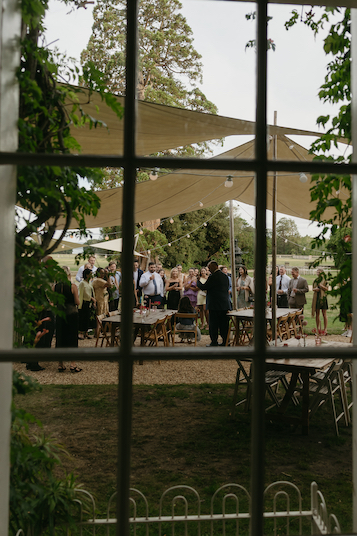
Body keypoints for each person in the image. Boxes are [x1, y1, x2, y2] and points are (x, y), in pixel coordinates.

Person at [54, 266, 82, 373]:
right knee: (72, 337)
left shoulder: (55, 287)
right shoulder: (72, 286)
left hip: (60, 314)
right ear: (68, 274)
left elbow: (54, 301)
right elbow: (77, 302)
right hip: (71, 315)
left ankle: (60, 363)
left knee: (60, 337)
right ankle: (72, 363)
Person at [197, 260, 230, 347]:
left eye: (209, 267)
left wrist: (198, 281)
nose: (208, 269)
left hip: (214, 305)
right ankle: (225, 342)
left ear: (214, 266)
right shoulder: (225, 276)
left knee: (213, 324)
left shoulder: (213, 276)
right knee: (224, 324)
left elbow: (204, 287)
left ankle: (214, 342)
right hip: (224, 304)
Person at [78, 268, 96, 339]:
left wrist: (93, 300)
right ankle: (81, 332)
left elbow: (92, 292)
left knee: (88, 318)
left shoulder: (90, 283)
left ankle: (86, 332)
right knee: (83, 318)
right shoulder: (82, 283)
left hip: (90, 303)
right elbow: (83, 293)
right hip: (84, 302)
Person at [312, 268, 328, 335]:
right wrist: (315, 289)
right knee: (317, 314)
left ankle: (325, 329)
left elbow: (327, 289)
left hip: (323, 298)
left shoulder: (325, 281)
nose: (318, 273)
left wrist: (321, 286)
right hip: (316, 298)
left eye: (319, 272)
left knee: (324, 314)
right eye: (317, 272)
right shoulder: (315, 280)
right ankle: (318, 328)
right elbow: (313, 288)